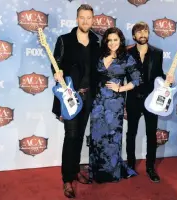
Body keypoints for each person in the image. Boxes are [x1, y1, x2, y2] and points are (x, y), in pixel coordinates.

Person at [52, 4, 100, 199]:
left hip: (88, 96)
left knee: (80, 135)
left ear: (93, 19)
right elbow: (55, 63)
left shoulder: (97, 41)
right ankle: (67, 179)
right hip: (70, 96)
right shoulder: (64, 40)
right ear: (77, 19)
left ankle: (75, 171)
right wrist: (57, 73)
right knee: (70, 135)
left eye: (89, 18)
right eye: (82, 17)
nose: (86, 21)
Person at [88, 27, 141, 183]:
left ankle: (111, 173)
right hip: (97, 102)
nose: (112, 43)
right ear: (106, 41)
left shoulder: (127, 58)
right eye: (109, 40)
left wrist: (121, 88)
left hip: (115, 105)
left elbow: (137, 80)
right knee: (97, 137)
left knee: (112, 139)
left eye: (115, 40)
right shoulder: (99, 55)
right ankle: (96, 173)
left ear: (121, 41)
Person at [126, 21, 174, 183]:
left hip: (152, 100)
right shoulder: (126, 53)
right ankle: (130, 165)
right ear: (134, 36)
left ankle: (150, 167)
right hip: (132, 99)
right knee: (131, 134)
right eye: (139, 32)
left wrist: (168, 81)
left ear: (149, 34)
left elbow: (159, 74)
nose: (142, 34)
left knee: (151, 135)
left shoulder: (157, 53)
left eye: (145, 31)